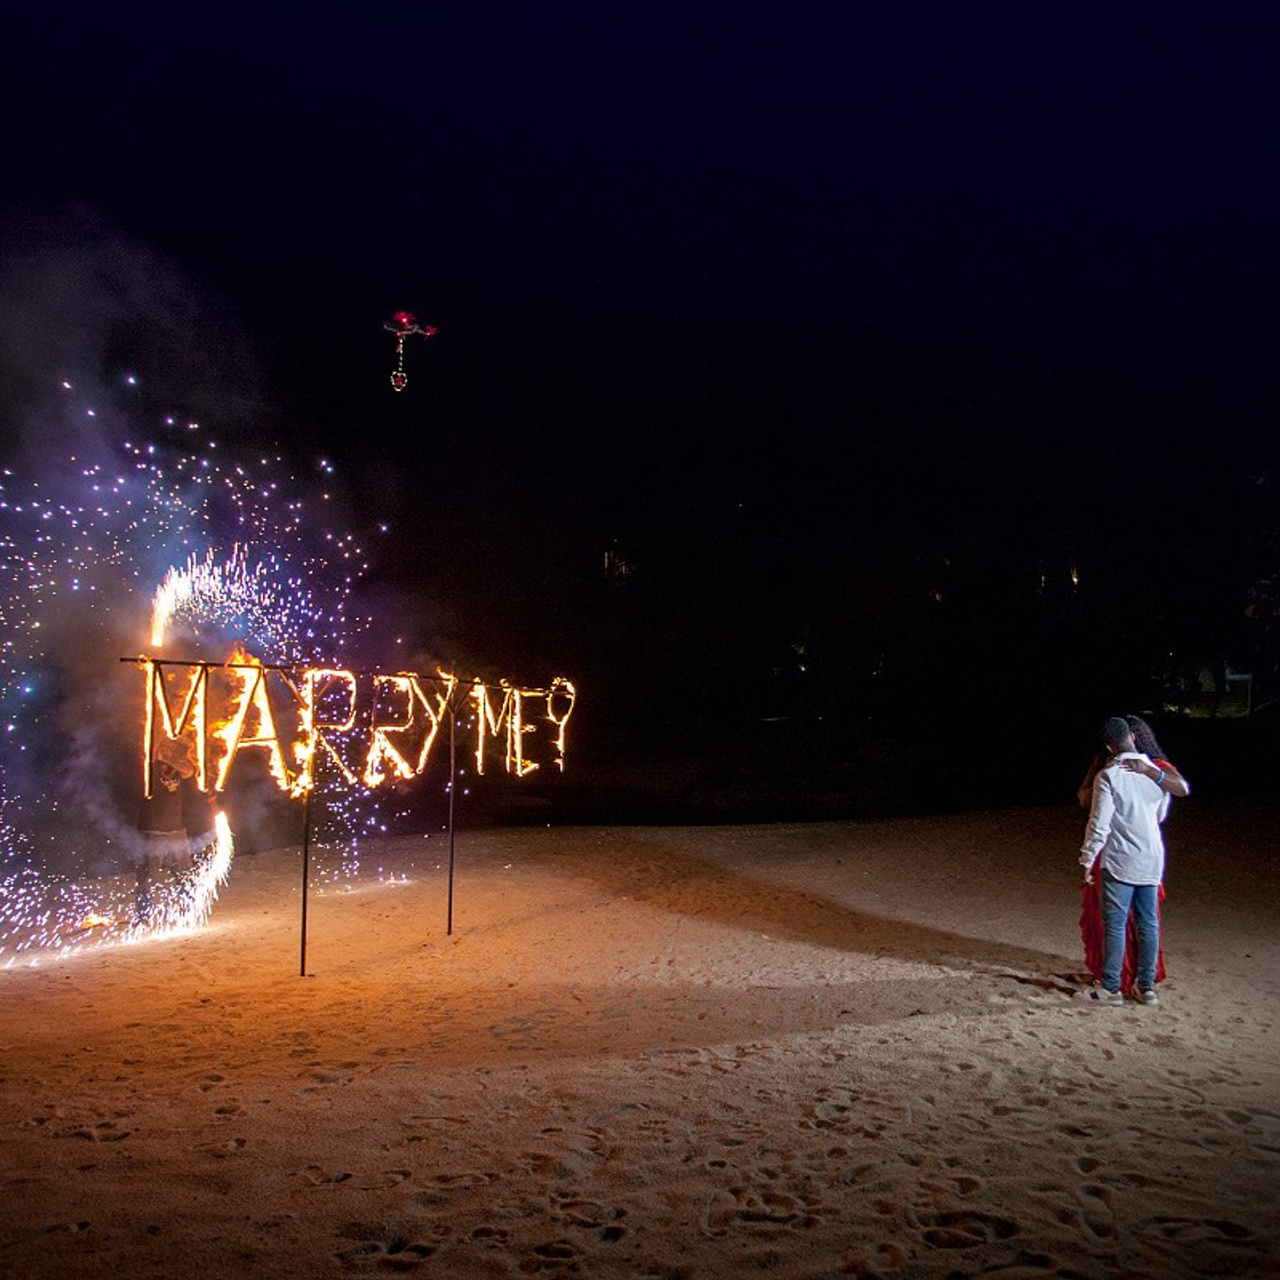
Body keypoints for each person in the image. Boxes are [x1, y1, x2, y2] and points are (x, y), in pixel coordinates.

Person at [1076, 715, 1188, 991]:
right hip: (1151, 857)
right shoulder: (1157, 773)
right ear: (1134, 737)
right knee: (1148, 923)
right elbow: (1161, 814)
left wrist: (1087, 858)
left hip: (1120, 858)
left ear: (1109, 746)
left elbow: (1099, 823)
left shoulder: (1108, 776)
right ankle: (1146, 987)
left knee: (1115, 923)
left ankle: (1112, 986)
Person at [134, 738, 218, 924]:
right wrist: (162, 756)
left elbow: (190, 770)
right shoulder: (151, 769)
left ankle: (189, 911)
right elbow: (152, 756)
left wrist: (171, 758)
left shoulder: (179, 770)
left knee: (184, 875)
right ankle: (143, 916)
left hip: (176, 831)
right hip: (153, 832)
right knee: (147, 877)